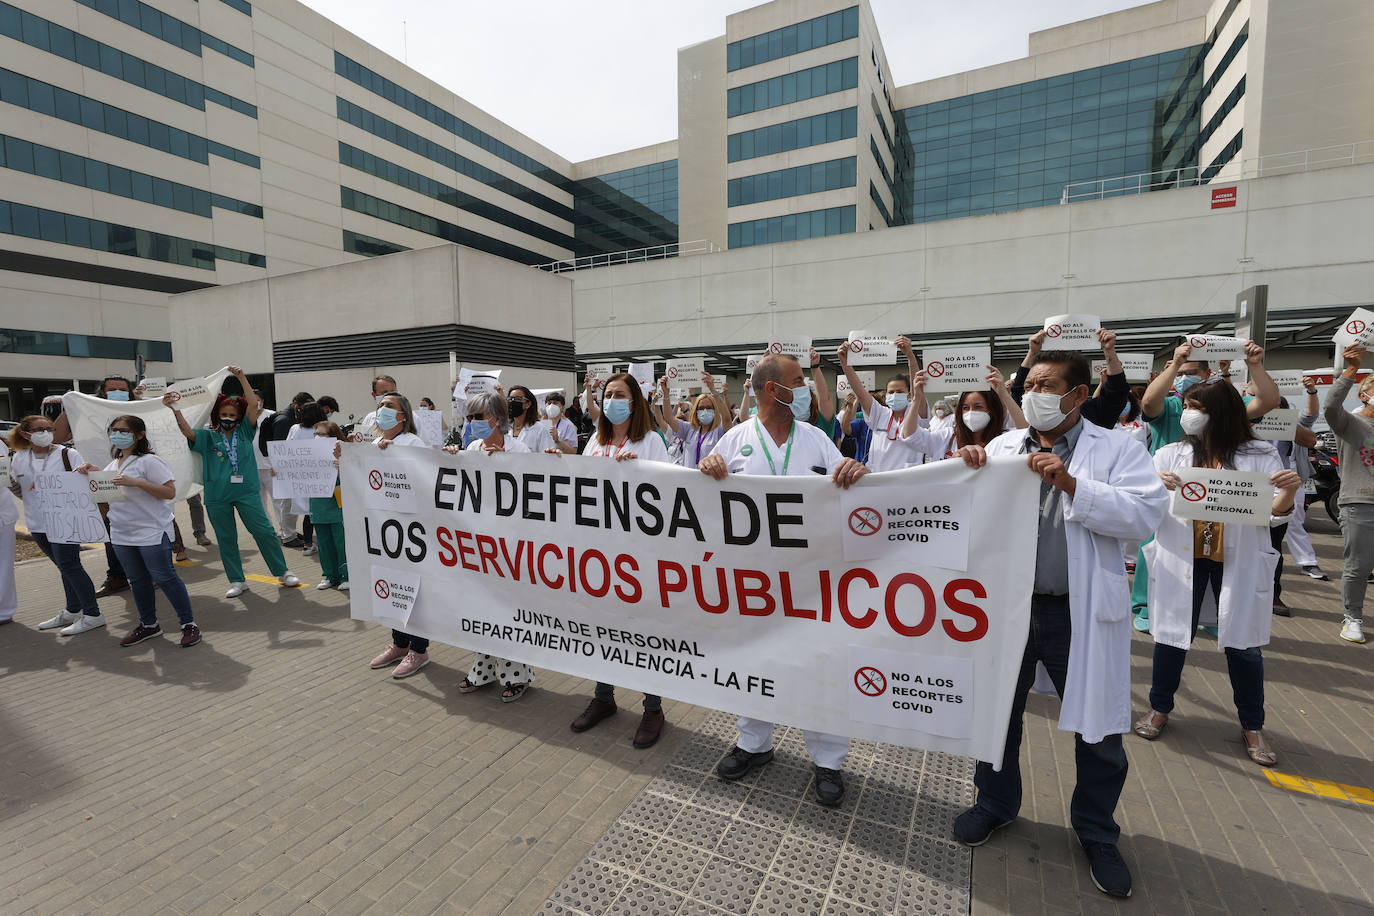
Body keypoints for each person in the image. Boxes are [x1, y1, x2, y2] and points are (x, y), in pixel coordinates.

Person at [950, 351, 1168, 900]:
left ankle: (1096, 831)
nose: (1036, 394)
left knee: (1098, 730)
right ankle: (995, 803)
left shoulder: (1118, 447)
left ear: (1078, 394)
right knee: (997, 714)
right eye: (1031, 385)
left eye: (1049, 386)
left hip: (1078, 612)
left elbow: (1146, 516)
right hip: (1008, 610)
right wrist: (964, 475)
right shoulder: (1002, 449)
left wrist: (1073, 485)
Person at [699, 353, 871, 807]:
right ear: (773, 389)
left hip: (814, 581)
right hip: (753, 584)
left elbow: (855, 490)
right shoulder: (734, 440)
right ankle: (754, 744)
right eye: (799, 381)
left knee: (821, 663)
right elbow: (701, 503)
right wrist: (708, 474)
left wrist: (857, 473)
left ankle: (829, 760)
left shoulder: (817, 440)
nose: (807, 389)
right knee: (754, 662)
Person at [1136, 381, 1298, 762]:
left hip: (1235, 560)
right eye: (1188, 406)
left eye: (1197, 407)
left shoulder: (1260, 455)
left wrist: (1288, 493)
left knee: (1243, 646)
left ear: (1221, 413)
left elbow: (1274, 513)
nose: (1189, 414)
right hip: (1183, 558)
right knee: (1171, 639)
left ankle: (1253, 725)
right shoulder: (1170, 454)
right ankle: (1159, 708)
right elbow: (1143, 505)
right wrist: (1154, 487)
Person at [1132, 341, 1279, 632]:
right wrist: (1174, 364)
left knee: (1218, 555)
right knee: (1160, 554)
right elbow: (1148, 404)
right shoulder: (1174, 405)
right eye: (1180, 371)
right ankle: (1146, 606)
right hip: (1173, 498)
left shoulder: (1223, 403)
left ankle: (1215, 612)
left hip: (1221, 501)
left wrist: (1255, 365)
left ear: (1206, 373)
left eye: (1190, 371)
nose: (1190, 413)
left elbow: (1267, 401)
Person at [564, 372, 671, 748]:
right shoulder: (595, 440)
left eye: (619, 394)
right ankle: (604, 697)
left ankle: (653, 708)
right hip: (599, 554)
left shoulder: (651, 442)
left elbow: (669, 495)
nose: (612, 400)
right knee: (601, 626)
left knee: (644, 632)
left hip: (638, 558)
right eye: (607, 394)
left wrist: (639, 472)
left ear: (635, 400)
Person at [168, 367, 300, 598]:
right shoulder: (208, 436)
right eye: (224, 414)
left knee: (264, 531)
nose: (228, 418)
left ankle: (283, 571)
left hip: (246, 492)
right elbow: (187, 431)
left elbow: (252, 404)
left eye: (232, 415)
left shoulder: (246, 432)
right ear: (217, 414)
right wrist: (175, 410)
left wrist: (240, 377)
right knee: (226, 538)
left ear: (238, 416)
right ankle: (238, 580)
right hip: (217, 494)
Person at [441, 393, 537, 702]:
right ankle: (482, 665)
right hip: (477, 544)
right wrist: (451, 458)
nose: (472, 424)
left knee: (508, 609)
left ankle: (516, 673)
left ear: (497, 418)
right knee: (480, 606)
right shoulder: (471, 449)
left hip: (511, 543)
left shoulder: (519, 449)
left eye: (478, 417)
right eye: (469, 418)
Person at [75, 416, 201, 647]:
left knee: (165, 577)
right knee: (137, 581)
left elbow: (169, 492)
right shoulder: (114, 465)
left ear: (140, 435)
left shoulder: (149, 461)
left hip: (151, 531)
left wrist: (138, 483)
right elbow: (108, 497)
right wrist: (93, 473)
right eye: (114, 430)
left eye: (123, 431)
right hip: (122, 533)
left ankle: (188, 624)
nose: (117, 434)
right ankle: (149, 625)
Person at [361, 392, 438, 677]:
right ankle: (399, 643)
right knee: (392, 586)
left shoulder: (413, 443)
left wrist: (397, 457)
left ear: (403, 415)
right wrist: (341, 460)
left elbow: (424, 480)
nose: (382, 410)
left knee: (413, 590)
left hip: (411, 528)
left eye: (389, 406)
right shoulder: (372, 444)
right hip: (384, 528)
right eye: (380, 405)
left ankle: (419, 650)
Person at [7, 415, 104, 634]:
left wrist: (85, 471)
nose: (45, 432)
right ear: (25, 434)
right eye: (39, 429)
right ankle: (73, 610)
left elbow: (81, 483)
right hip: (37, 522)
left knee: (70, 565)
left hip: (64, 521)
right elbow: (17, 488)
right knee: (63, 567)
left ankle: (93, 614)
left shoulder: (67, 454)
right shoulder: (20, 457)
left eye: (48, 428)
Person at [1323, 345, 1374, 644]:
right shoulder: (1352, 424)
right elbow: (1330, 408)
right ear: (1365, 395)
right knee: (1360, 565)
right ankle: (1352, 617)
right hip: (1361, 503)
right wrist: (1351, 370)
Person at [836, 335, 925, 471]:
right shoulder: (880, 414)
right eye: (891, 392)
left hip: (908, 483)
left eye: (900, 391)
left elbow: (917, 387)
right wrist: (844, 362)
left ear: (909, 395)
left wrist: (910, 356)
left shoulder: (916, 415)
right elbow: (860, 391)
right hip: (877, 481)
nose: (894, 395)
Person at [1010, 329, 1131, 428]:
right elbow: (1017, 389)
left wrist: (1109, 350)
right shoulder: (1002, 446)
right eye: (1028, 387)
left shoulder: (1094, 416)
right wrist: (1032, 351)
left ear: (1079, 394)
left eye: (1047, 386)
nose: (1033, 393)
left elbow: (1116, 392)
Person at [902, 367, 1026, 459]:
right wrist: (916, 399)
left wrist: (1004, 394)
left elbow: (1026, 434)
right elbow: (911, 436)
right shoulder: (948, 437)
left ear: (991, 410)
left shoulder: (1004, 438)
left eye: (978, 407)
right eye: (966, 407)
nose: (971, 412)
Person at [1287, 377, 1328, 581]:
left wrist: (1311, 392)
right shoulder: (1251, 424)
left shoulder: (1296, 425)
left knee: (1295, 521)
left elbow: (1311, 415)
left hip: (1294, 480)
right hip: (1261, 480)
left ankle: (1308, 562)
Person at [656, 374, 733, 469]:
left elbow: (727, 418)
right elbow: (668, 418)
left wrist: (713, 390)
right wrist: (666, 394)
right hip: (688, 481)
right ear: (696, 411)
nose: (705, 411)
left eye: (709, 407)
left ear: (715, 410)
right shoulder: (689, 429)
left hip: (710, 481)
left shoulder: (719, 430)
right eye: (701, 408)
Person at [309, 420, 348, 592]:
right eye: (315, 434)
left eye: (322, 434)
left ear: (333, 436)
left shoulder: (344, 453)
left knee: (341, 543)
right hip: (318, 506)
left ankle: (346, 576)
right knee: (324, 543)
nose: (317, 437)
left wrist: (342, 469)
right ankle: (330, 576)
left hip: (338, 506)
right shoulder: (308, 455)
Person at [506, 385, 557, 454]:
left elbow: (546, 456)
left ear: (528, 404)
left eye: (518, 398)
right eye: (510, 399)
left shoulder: (540, 429)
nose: (512, 402)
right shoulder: (505, 429)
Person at [354, 374, 398, 441]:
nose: (389, 396)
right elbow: (362, 445)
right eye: (385, 393)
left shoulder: (412, 418)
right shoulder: (369, 418)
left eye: (393, 392)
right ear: (374, 395)